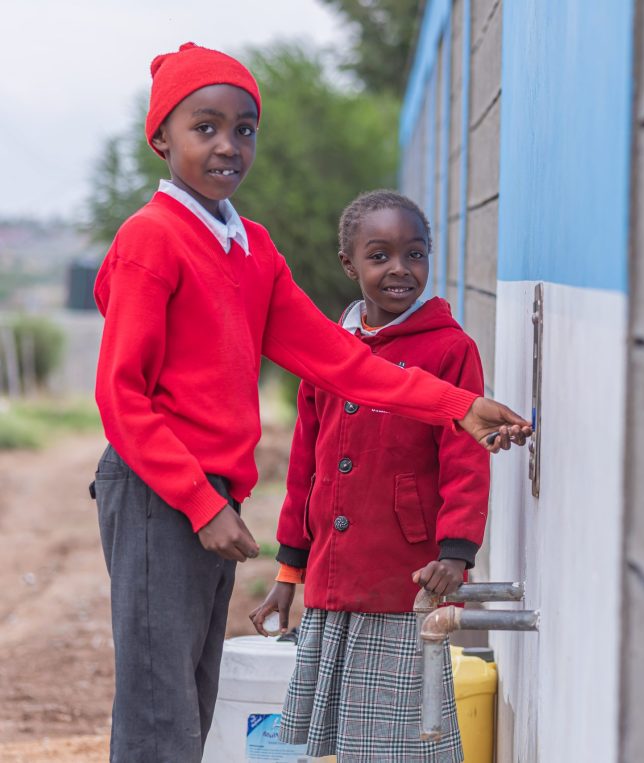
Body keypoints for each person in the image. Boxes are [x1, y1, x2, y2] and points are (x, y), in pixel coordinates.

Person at [91, 44, 529, 763]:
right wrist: (201, 503)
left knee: (192, 701)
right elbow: (121, 396)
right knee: (156, 709)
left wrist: (458, 406)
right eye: (206, 127)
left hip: (207, 497)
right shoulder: (152, 238)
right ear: (161, 137)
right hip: (158, 491)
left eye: (246, 128)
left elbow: (342, 362)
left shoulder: (250, 247)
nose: (230, 145)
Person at [249, 190, 487, 762]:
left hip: (402, 580)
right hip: (332, 580)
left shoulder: (450, 350)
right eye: (380, 256)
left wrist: (456, 552)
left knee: (398, 742)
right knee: (338, 745)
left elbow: (465, 461)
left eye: (415, 254)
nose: (400, 269)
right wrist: (289, 569)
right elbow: (305, 465)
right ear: (349, 264)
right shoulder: (328, 352)